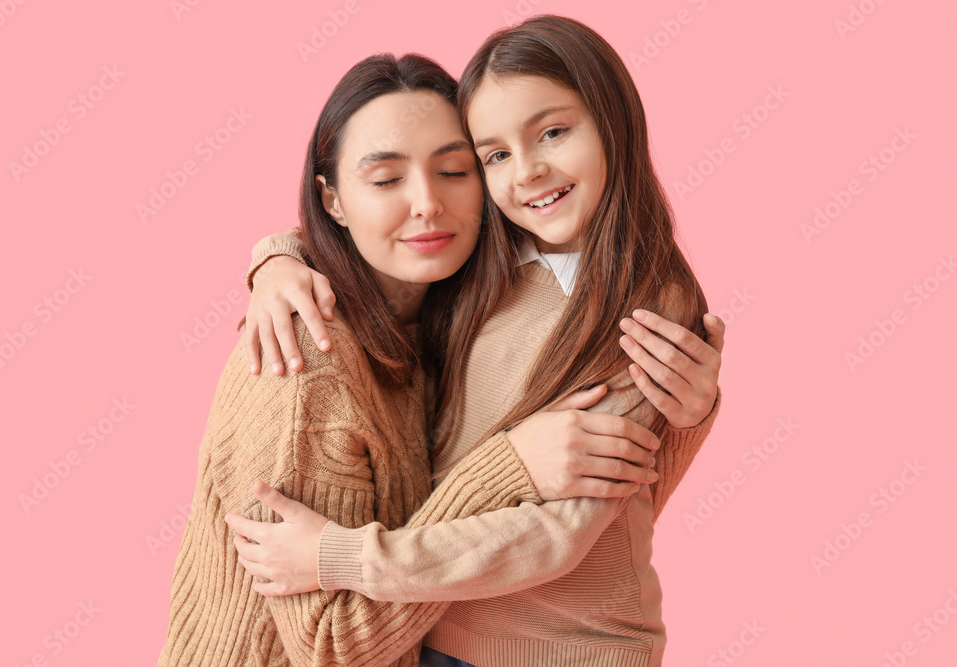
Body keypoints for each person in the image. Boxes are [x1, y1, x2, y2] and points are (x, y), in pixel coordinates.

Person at [227, 15, 724, 667]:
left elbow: (558, 534)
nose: (528, 171)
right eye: (493, 155)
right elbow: (387, 225)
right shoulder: (497, 254)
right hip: (436, 632)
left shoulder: (646, 305)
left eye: (553, 131)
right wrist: (278, 259)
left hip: (566, 649)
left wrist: (336, 554)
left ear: (613, 121)